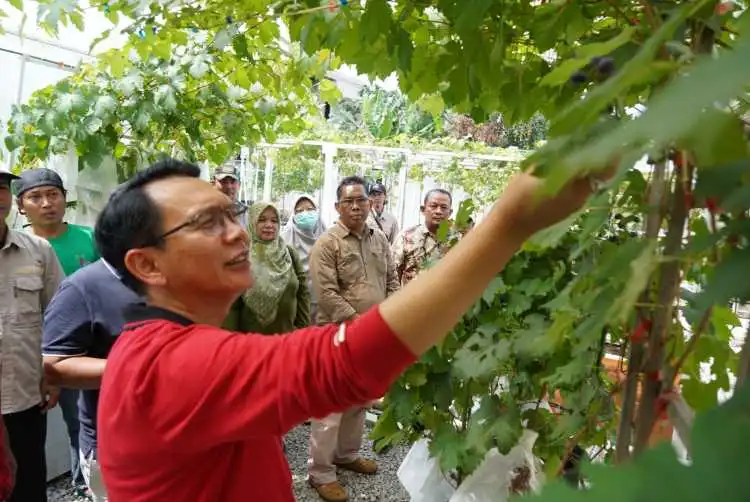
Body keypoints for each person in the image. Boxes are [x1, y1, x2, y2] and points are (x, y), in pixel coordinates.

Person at [93, 158, 608, 502]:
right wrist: (511, 222)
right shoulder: (174, 363)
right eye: (206, 223)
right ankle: (324, 470)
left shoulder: (159, 351)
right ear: (147, 266)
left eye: (232, 213)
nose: (236, 231)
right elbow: (342, 361)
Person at [307, 176, 400, 502]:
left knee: (359, 400)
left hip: (371, 335)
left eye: (362, 200)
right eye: (350, 201)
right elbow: (327, 294)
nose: (358, 206)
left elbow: (391, 279)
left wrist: (387, 319)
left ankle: (345, 454)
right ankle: (320, 472)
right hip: (338, 335)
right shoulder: (327, 243)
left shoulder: (379, 239)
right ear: (338, 207)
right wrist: (362, 324)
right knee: (331, 403)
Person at [15, 168, 98, 495]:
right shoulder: (19, 248)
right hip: (41, 351)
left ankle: (89, 485)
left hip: (91, 347)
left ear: (65, 198)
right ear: (21, 206)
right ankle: (77, 484)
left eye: (54, 194)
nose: (47, 203)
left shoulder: (90, 239)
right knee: (50, 424)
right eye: (36, 197)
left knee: (90, 418)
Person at [42, 255, 140, 502]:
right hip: (118, 446)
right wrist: (145, 367)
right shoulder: (84, 287)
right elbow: (55, 365)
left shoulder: (185, 276)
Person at [0, 167, 64, 502]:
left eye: (2, 187)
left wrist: (52, 376)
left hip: (24, 393)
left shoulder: (38, 250)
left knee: (28, 485)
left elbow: (59, 317)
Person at [223, 202, 310, 334]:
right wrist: (232, 341)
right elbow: (232, 305)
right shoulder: (241, 255)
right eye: (262, 220)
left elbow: (303, 293)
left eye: (274, 221)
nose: (269, 225)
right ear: (252, 222)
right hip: (251, 342)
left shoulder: (289, 253)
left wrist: (303, 331)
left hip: (287, 338)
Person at [392, 188, 455, 287]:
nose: (438, 211)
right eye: (433, 206)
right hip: (413, 299)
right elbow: (393, 274)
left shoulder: (457, 240)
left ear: (450, 212)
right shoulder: (406, 237)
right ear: (423, 209)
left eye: (444, 207)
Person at [281, 194, 326, 321]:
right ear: (293, 216)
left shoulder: (328, 239)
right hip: (295, 305)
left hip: (324, 306)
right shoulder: (284, 240)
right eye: (299, 211)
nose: (305, 214)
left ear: (317, 211)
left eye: (310, 209)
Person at [212, 162, 248, 228]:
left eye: (233, 182)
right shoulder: (203, 212)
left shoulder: (245, 213)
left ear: (239, 185)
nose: (229, 186)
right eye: (224, 181)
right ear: (213, 184)